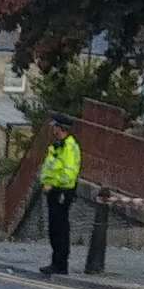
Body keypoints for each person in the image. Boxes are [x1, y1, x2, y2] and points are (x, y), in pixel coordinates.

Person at [37, 114, 81, 276]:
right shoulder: (57, 146)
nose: (52, 128)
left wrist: (53, 185)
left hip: (62, 192)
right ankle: (55, 263)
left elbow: (69, 173)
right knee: (54, 229)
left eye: (54, 126)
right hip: (53, 191)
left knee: (60, 229)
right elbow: (50, 168)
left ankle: (61, 265)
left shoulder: (69, 147)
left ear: (60, 128)